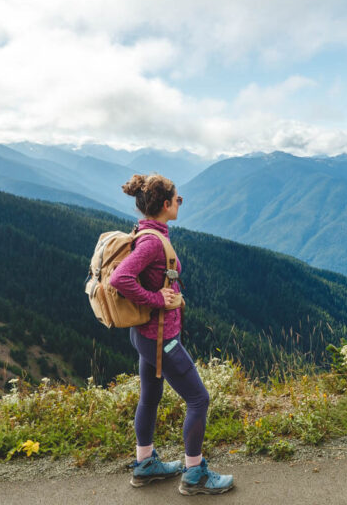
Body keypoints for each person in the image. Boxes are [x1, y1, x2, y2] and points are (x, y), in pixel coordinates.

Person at [110, 173, 234, 495]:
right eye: (178, 198)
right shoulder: (152, 241)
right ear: (165, 204)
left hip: (145, 337)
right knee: (199, 398)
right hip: (161, 338)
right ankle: (194, 474)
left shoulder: (146, 230)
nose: (180, 202)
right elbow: (120, 278)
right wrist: (156, 301)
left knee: (150, 396)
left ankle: (145, 464)